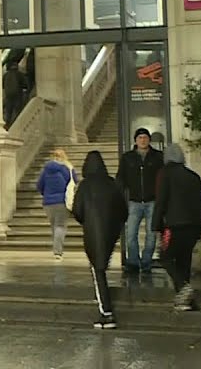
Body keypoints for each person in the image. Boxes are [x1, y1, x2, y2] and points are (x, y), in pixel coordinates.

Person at [72, 150, 127, 329]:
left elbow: (77, 211)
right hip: (111, 231)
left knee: (98, 270)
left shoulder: (85, 186)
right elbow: (123, 210)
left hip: (93, 231)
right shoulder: (112, 184)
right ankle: (106, 310)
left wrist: (86, 220)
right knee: (101, 266)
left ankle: (106, 312)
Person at [152, 143, 201, 311]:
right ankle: (185, 301)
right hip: (193, 226)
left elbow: (161, 201)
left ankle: (183, 287)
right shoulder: (193, 176)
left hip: (173, 226)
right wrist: (199, 227)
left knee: (165, 257)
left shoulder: (165, 174)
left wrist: (156, 225)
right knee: (184, 261)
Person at [115, 127, 164, 272]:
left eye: (145, 137)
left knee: (151, 235)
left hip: (152, 201)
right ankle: (133, 262)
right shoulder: (127, 157)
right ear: (135, 140)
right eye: (140, 138)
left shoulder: (158, 157)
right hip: (134, 201)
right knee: (131, 234)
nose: (143, 140)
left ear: (149, 140)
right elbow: (120, 178)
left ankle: (147, 261)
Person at [36, 148, 73, 259]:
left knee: (54, 226)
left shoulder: (46, 170)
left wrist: (45, 194)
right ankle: (58, 251)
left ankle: (56, 249)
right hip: (62, 201)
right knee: (60, 226)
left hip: (48, 203)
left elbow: (39, 185)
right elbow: (74, 181)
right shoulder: (67, 169)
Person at [2, 62, 27, 127]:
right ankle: (17, 124)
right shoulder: (19, 74)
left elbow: (2, 85)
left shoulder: (6, 75)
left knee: (9, 111)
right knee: (17, 110)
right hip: (17, 95)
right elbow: (25, 84)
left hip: (8, 95)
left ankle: (7, 124)